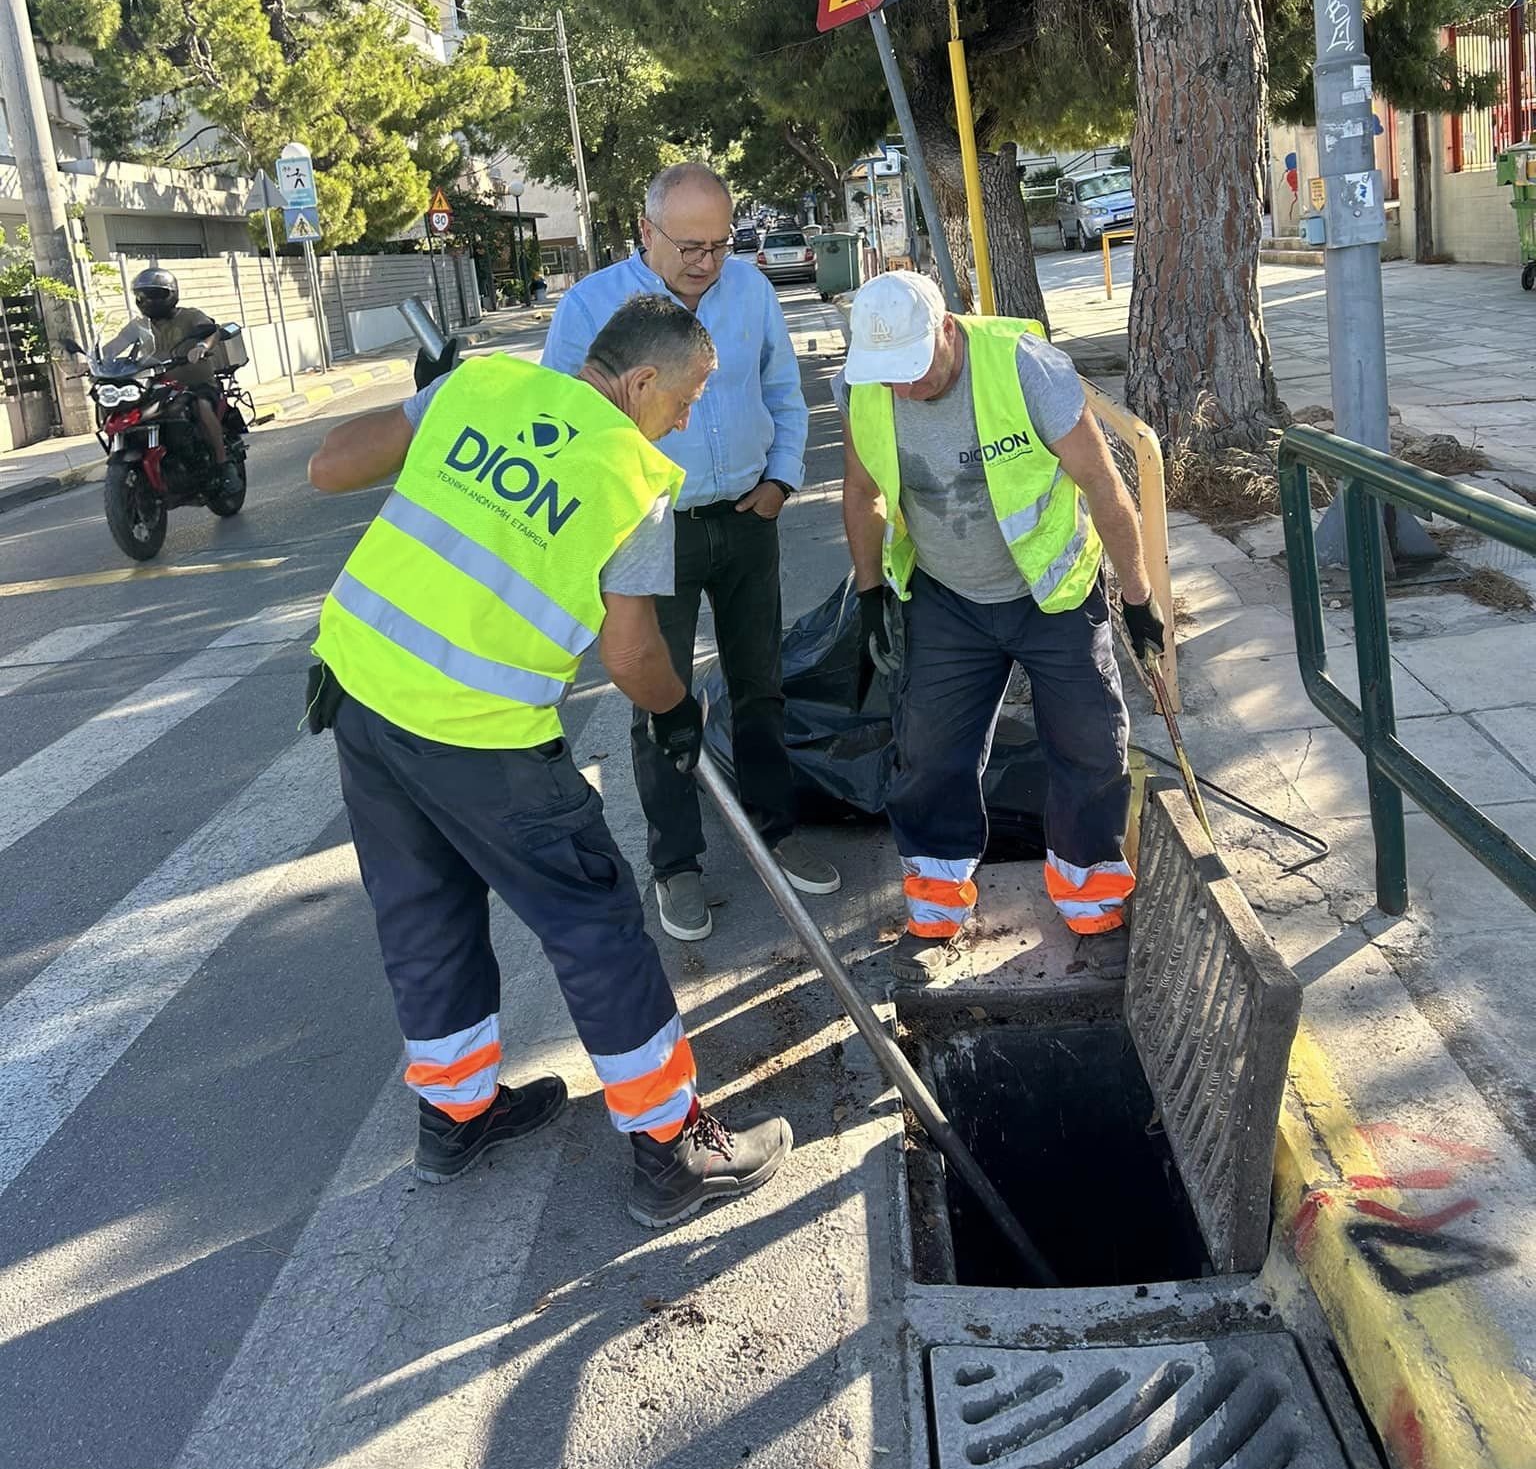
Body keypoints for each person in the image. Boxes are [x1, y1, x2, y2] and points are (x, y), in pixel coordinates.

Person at [306, 294, 791, 1225]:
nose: (684, 420)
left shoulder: (479, 387)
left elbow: (329, 467)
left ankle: (456, 1115)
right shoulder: (632, 476)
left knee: (423, 908)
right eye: (686, 398)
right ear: (640, 381)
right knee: (593, 922)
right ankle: (672, 1146)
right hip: (481, 735)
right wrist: (678, 712)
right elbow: (632, 655)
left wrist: (430, 404)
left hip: (364, 700)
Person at [836, 273, 1166, 984]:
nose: (906, 390)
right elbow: (862, 492)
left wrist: (1139, 598)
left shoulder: (1023, 367)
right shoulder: (865, 385)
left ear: (946, 328)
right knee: (930, 753)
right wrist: (869, 596)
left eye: (915, 369)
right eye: (890, 377)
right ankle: (934, 909)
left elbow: (1103, 484)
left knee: (1087, 743)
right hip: (947, 599)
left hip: (1050, 593)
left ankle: (1092, 902)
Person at [542, 163, 836, 943]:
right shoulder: (589, 306)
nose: (707, 262)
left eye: (719, 244)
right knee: (657, 701)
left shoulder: (752, 292)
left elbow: (784, 392)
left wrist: (780, 480)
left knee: (760, 685)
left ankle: (775, 831)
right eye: (689, 247)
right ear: (646, 231)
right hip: (648, 532)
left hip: (745, 519)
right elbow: (561, 420)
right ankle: (677, 863)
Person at [115, 268, 240, 497]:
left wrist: (202, 346)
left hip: (197, 384)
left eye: (155, 294)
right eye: (143, 295)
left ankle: (224, 466)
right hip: (160, 387)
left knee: (202, 406)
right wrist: (91, 363)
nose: (148, 301)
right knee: (131, 412)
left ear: (171, 294)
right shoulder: (139, 326)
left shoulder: (190, 316)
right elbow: (114, 346)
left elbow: (213, 332)